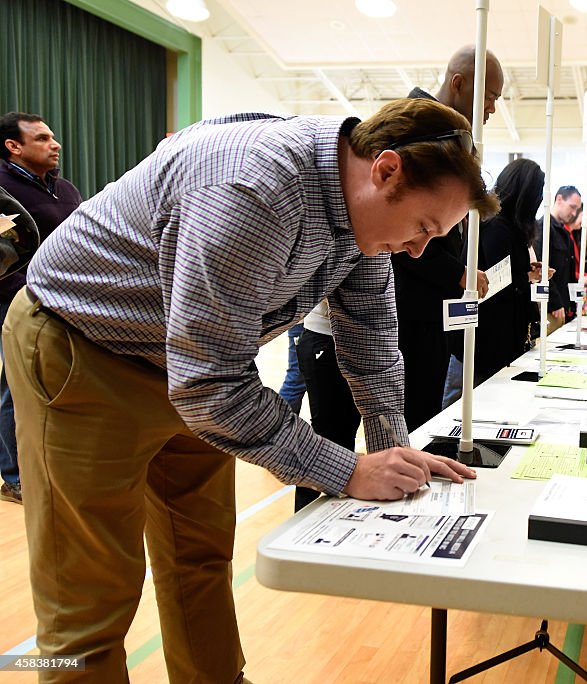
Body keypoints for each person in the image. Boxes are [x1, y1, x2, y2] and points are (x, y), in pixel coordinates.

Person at [2, 98, 498, 683]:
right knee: (90, 593)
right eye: (423, 228)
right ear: (385, 170)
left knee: (200, 557)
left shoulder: (358, 205)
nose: (419, 250)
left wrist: (393, 446)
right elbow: (210, 383)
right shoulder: (255, 188)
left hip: (184, 363)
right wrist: (345, 469)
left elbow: (368, 327)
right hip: (83, 351)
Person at [392, 46, 504, 432]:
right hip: (407, 311)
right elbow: (402, 237)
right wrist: (457, 273)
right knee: (409, 412)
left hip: (430, 311)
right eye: (488, 96)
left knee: (422, 410)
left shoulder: (453, 141)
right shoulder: (417, 132)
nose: (490, 109)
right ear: (459, 83)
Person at [0, 112, 83, 505]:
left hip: (66, 303)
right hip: (16, 302)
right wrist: (32, 291)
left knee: (59, 383)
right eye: (43, 138)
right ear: (13, 147)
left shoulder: (65, 189)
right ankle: (15, 476)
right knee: (13, 389)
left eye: (54, 137)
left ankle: (53, 464)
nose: (56, 144)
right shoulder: (1, 189)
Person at [464, 158, 544, 384]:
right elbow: (498, 278)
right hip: (491, 337)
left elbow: (508, 269)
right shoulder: (497, 225)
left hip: (504, 334)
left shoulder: (509, 226)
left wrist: (527, 270)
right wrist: (526, 275)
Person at [293, 301, 361, 511]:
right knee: (327, 440)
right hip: (325, 339)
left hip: (353, 340)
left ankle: (336, 517)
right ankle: (303, 523)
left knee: (344, 438)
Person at [533, 185, 581, 332]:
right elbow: (541, 267)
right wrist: (554, 301)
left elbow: (568, 273)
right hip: (551, 308)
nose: (574, 213)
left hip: (565, 305)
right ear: (559, 199)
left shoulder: (564, 232)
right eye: (572, 207)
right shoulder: (542, 228)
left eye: (576, 209)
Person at [278, 323, 306, 414]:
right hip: (307, 321)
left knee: (295, 380)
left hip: (304, 320)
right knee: (296, 380)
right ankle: (279, 424)